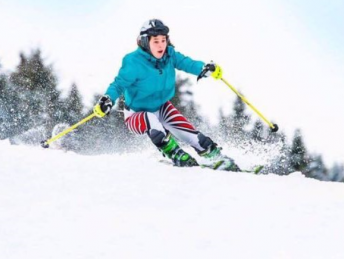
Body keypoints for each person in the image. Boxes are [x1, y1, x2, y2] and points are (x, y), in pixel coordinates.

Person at [94, 19, 238, 171]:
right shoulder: (133, 62)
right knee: (151, 121)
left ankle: (216, 156)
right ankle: (174, 152)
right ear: (144, 42)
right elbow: (119, 84)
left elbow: (187, 63)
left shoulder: (170, 55)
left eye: (163, 40)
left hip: (162, 107)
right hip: (136, 115)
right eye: (156, 41)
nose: (161, 45)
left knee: (189, 133)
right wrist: (107, 100)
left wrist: (204, 68)